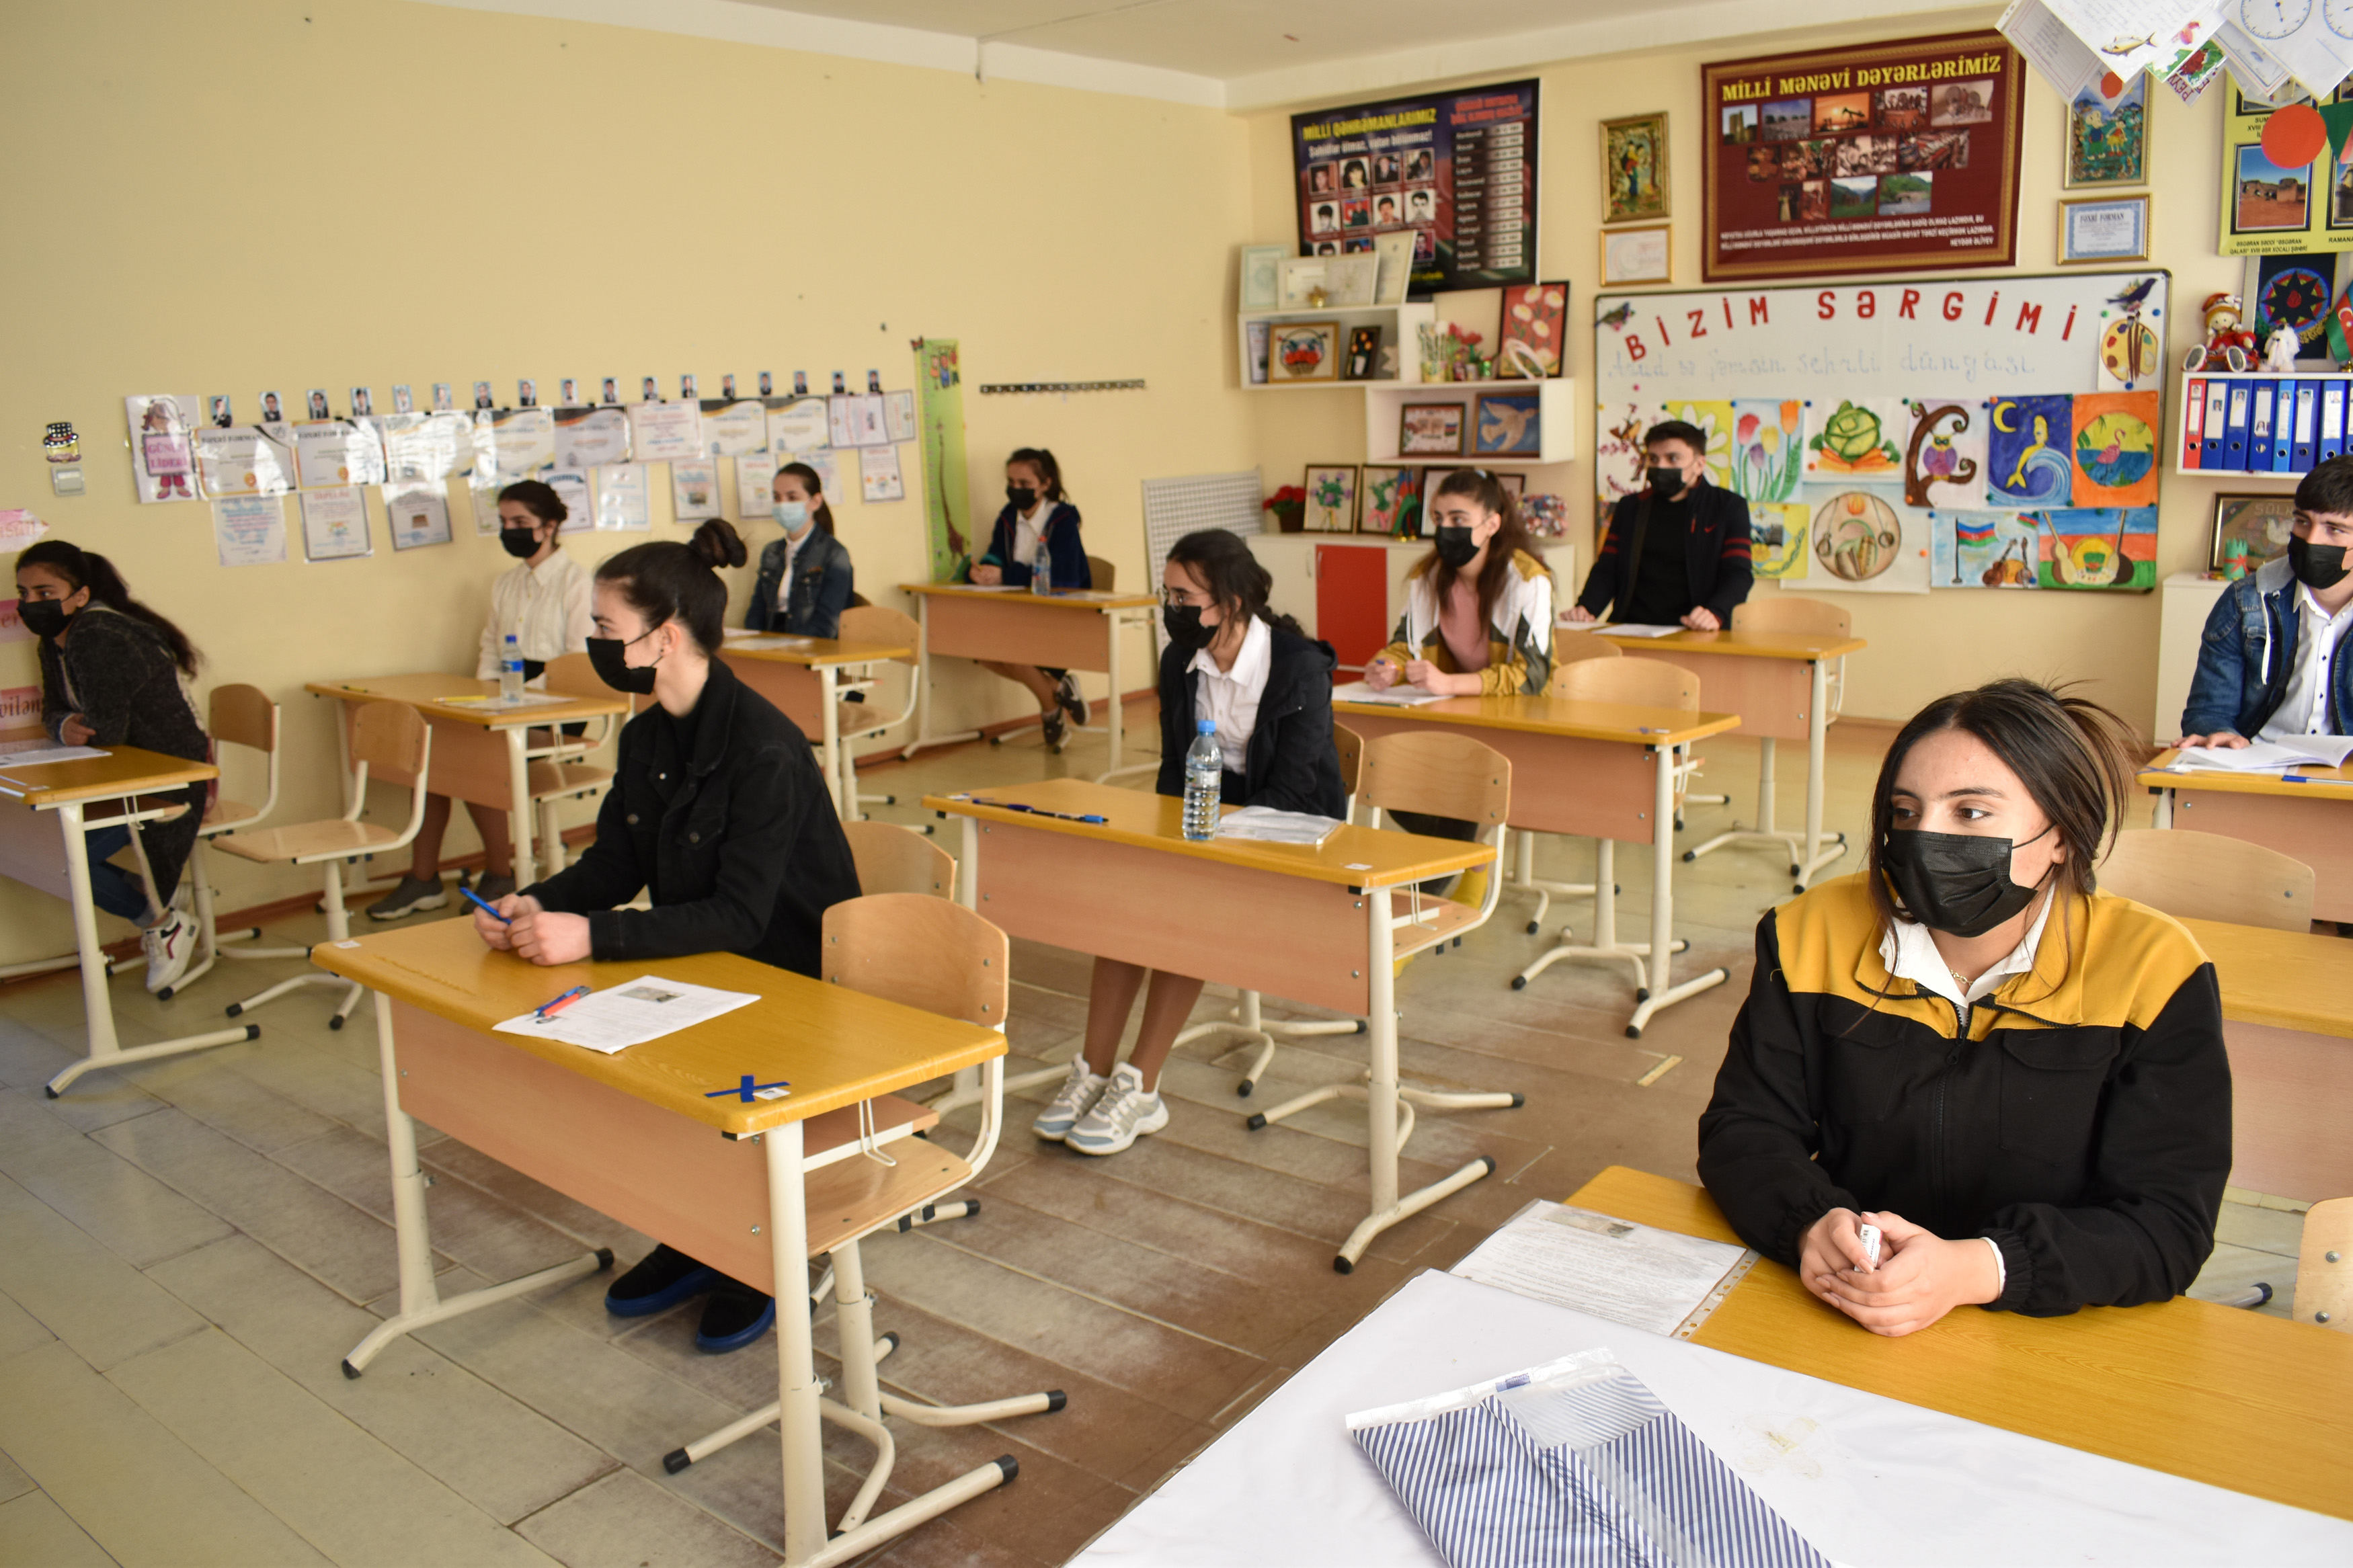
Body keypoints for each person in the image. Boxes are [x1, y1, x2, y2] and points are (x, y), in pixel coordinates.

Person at [1698, 679, 2229, 1335]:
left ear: (2061, 836)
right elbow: (1743, 1128)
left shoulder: (2154, 968)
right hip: (1845, 1301)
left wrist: (1975, 1268)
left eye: (1971, 812)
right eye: (1905, 811)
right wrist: (1811, 1223)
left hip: (2046, 1324)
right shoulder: (1807, 932)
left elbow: (2166, 1224)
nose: (1926, 838)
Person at [473, 518, 860, 1352]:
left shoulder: (762, 746)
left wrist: (591, 936)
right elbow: (617, 863)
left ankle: (763, 1255)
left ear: (666, 635)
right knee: (646, 1086)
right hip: (703, 960)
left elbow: (742, 916)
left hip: (788, 975)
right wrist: (531, 903)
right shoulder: (647, 732)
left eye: (605, 626)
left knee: (691, 1079)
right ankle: (696, 1231)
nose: (594, 642)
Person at [1033, 530, 1343, 1155]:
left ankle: (1140, 1085)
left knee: (1185, 905)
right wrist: (1170, 842)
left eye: (1184, 596)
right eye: (1167, 593)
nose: (1170, 607)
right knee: (1130, 904)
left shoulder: (1298, 666)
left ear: (1230, 601)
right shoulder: (1179, 660)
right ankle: (1092, 1071)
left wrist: (1212, 842)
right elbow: (1174, 770)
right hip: (1206, 819)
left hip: (1286, 829)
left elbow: (1292, 789)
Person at [367, 480, 592, 919]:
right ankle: (424, 879)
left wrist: (517, 697)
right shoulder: (506, 583)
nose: (510, 530)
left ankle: (500, 873)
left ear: (549, 526)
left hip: (559, 708)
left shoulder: (577, 582)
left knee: (477, 756)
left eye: (521, 521)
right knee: (435, 755)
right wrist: (487, 692)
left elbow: (576, 661)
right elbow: (491, 644)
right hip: (504, 700)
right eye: (505, 522)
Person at [13, 541, 208, 992]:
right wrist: (64, 725)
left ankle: (161, 921)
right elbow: (55, 711)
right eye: (24, 594)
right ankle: (153, 903)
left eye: (44, 592)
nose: (31, 604)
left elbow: (107, 731)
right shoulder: (56, 639)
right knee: (46, 850)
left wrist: (76, 727)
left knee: (65, 857)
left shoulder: (98, 634)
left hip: (170, 780)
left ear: (80, 595)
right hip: (120, 776)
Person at [1364, 469, 1552, 883]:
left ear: (1491, 524)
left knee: (1459, 793)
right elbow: (1405, 644)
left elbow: (1532, 675)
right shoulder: (1427, 576)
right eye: (1439, 518)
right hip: (1448, 713)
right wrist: (1387, 666)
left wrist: (1450, 684)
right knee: (1391, 778)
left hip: (1514, 716)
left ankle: (1433, 895)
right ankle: (1469, 863)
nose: (1445, 529)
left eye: (1458, 519)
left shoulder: (1528, 580)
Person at [2181, 456, 2353, 747]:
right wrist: (2220, 734)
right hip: (2259, 760)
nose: (2311, 539)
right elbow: (2208, 713)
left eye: (2334, 529)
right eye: (2303, 521)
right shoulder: (2244, 601)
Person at [1568, 420, 1751, 630]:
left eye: (1672, 459)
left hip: (1697, 630)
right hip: (1631, 627)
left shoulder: (1728, 507)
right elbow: (1607, 569)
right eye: (1654, 459)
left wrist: (1716, 613)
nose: (1661, 467)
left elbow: (1738, 574)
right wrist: (1586, 608)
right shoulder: (1631, 507)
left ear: (1699, 464)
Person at [971, 447, 1092, 751]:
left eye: (1024, 484)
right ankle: (1058, 690)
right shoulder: (1008, 516)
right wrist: (985, 571)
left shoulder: (1063, 520)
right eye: (1011, 482)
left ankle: (1050, 710)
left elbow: (1062, 574)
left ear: (1045, 484)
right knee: (983, 652)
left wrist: (1006, 575)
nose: (1016, 489)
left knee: (1012, 652)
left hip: (1058, 611)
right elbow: (996, 554)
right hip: (1018, 607)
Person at [744, 462, 853, 637]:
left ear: (815, 502)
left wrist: (786, 647)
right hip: (770, 644)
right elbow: (756, 611)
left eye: (792, 498)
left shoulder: (835, 555)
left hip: (812, 646)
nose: (782, 504)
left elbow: (827, 625)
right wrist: (753, 641)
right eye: (777, 497)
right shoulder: (771, 552)